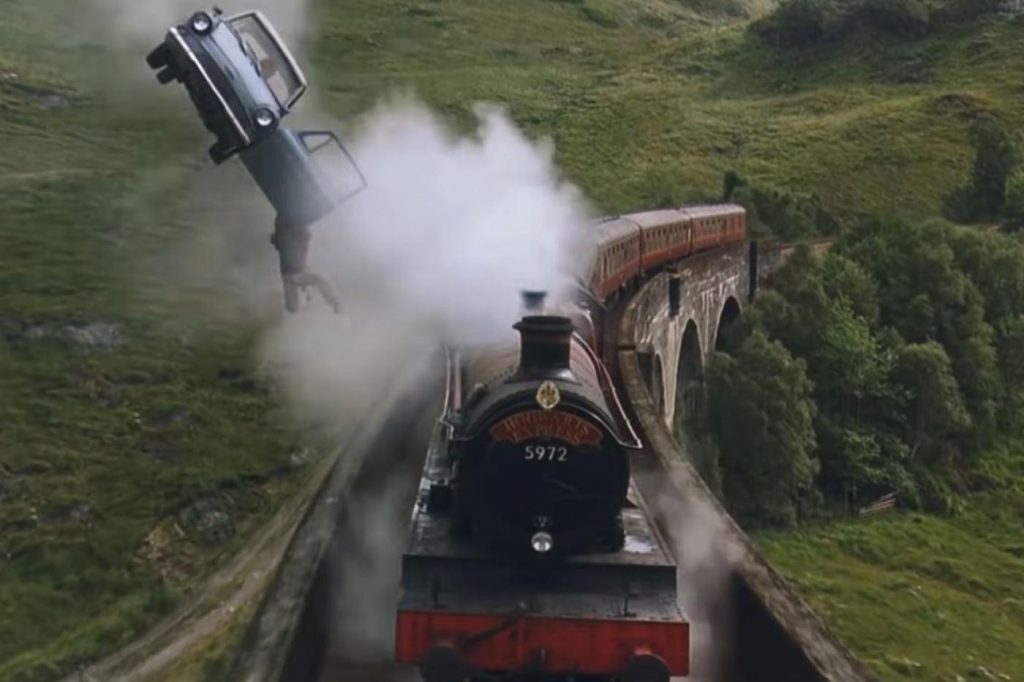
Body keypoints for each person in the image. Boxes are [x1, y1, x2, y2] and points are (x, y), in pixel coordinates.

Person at [269, 214, 340, 314]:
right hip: (291, 273)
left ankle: (332, 302)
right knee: (293, 307)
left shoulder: (291, 225)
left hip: (293, 272)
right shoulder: (291, 230)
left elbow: (281, 240)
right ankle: (331, 302)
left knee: (294, 305)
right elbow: (284, 240)